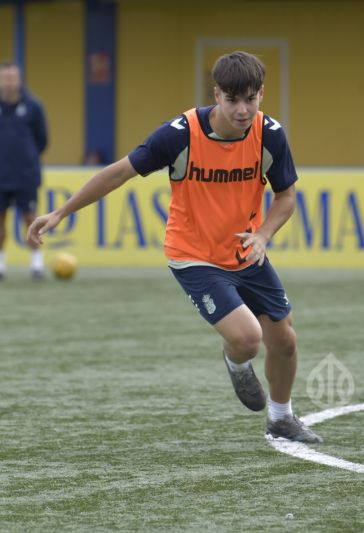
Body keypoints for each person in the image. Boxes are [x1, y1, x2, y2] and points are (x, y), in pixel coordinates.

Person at [27, 51, 321, 444]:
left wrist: (263, 235)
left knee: (285, 340)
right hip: (194, 256)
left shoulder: (269, 134)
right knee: (249, 340)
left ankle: (281, 418)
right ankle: (235, 363)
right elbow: (118, 173)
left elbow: (286, 197)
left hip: (245, 251)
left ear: (261, 95)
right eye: (232, 99)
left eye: (250, 99)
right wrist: (61, 212)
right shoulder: (180, 134)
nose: (241, 109)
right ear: (216, 95)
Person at [0, 61, 48, 280]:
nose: (10, 82)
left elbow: (42, 140)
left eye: (13, 77)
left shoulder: (33, 106)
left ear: (19, 79)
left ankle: (36, 265)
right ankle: (1, 265)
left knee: (31, 219)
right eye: (6, 78)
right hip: (1, 176)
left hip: (25, 175)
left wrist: (25, 158)